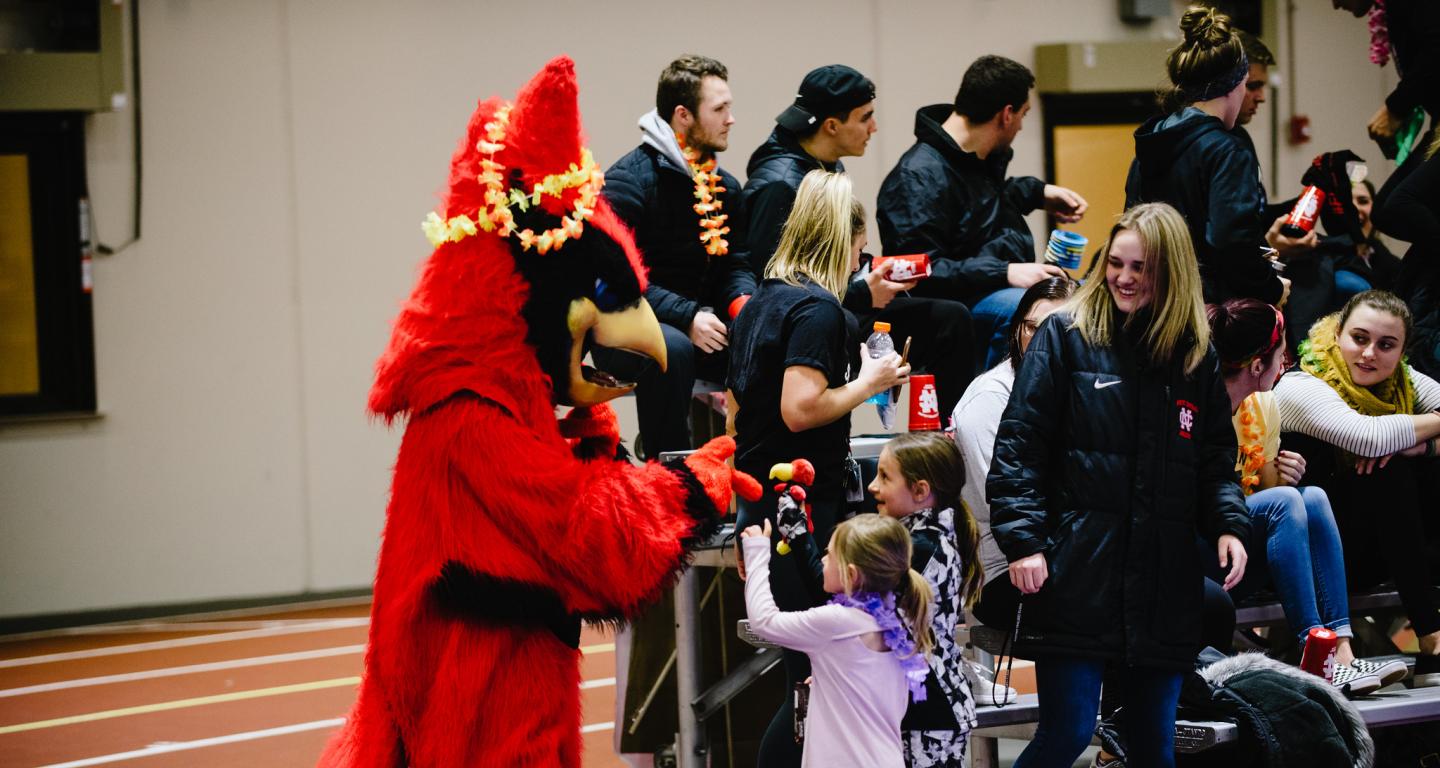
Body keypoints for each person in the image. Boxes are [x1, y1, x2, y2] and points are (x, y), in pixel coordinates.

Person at [989, 203, 1251, 768]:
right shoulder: (1065, 335)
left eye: (1142, 268)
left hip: (1162, 582)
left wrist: (1230, 524)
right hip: (1077, 573)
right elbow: (1018, 448)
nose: (1124, 278)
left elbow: (1214, 460)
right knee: (1068, 733)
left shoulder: (1195, 354)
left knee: (1156, 746)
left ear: (1171, 274)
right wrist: (1025, 542)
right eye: (1117, 263)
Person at [728, 169, 910, 765]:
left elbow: (737, 413)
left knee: (805, 673)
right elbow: (801, 409)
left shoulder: (761, 303)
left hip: (762, 500)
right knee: (810, 675)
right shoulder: (820, 313)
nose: (864, 260)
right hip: (801, 505)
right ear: (844, 242)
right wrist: (871, 381)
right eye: (860, 249)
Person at [743, 65, 976, 416]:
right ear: (832, 126)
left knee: (948, 314)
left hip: (831, 304)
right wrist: (861, 293)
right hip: (806, 322)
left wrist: (876, 272)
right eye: (865, 117)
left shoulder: (825, 165)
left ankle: (941, 437)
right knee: (947, 322)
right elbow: (772, 291)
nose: (874, 127)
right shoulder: (780, 183)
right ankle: (944, 439)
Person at [1209, 299, 1408, 693]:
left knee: (1310, 495)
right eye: (1281, 354)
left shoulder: (1265, 404)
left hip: (1240, 554)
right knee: (1286, 501)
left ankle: (1340, 655)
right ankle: (1312, 652)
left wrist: (1282, 477)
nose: (1285, 363)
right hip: (1197, 549)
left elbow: (1266, 495)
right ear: (1256, 365)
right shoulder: (1198, 403)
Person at [877, 55, 1087, 373]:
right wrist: (1004, 272)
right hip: (957, 307)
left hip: (992, 289)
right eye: (1023, 115)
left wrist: (1036, 192)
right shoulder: (916, 177)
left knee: (1086, 297)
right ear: (1006, 114)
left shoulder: (976, 158)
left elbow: (978, 211)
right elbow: (915, 271)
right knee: (1028, 311)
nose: (1020, 125)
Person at [1275, 290, 1440, 688]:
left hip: (1378, 544)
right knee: (1389, 465)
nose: (1369, 354)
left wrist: (1423, 445)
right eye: (1359, 338)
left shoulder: (1402, 379)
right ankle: (1432, 637)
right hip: (1310, 556)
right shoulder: (1302, 381)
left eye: (1386, 345)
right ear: (1337, 335)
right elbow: (1366, 437)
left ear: (1402, 352)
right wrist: (1417, 437)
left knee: (1409, 460)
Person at [600, 55, 756, 457]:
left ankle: (761, 473)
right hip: (625, 327)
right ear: (683, 115)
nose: (731, 119)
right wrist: (686, 317)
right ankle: (668, 480)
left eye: (729, 107)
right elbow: (615, 279)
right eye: (719, 109)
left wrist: (745, 305)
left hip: (701, 320)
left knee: (765, 337)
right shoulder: (627, 181)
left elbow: (734, 264)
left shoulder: (726, 186)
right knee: (673, 348)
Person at [1126, 6, 1305, 307]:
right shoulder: (1227, 150)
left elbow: (1134, 223)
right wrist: (1270, 287)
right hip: (1208, 310)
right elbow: (1230, 240)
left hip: (1154, 302)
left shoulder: (1154, 139)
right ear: (1236, 84)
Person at [740, 513, 934, 768]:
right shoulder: (896, 622)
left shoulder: (837, 622)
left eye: (829, 555)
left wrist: (757, 553)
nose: (821, 560)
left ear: (851, 574)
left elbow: (764, 621)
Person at [954, 276, 1074, 630]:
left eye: (1054, 330)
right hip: (1004, 569)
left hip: (1069, 555)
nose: (1038, 341)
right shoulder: (990, 396)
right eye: (1030, 327)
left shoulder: (1082, 387)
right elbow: (1006, 504)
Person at [867, 432, 982, 766]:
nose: (873, 486)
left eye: (884, 477)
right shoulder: (925, 539)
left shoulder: (921, 548)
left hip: (930, 706)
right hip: (931, 701)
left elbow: (870, 611)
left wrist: (800, 541)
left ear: (920, 491)